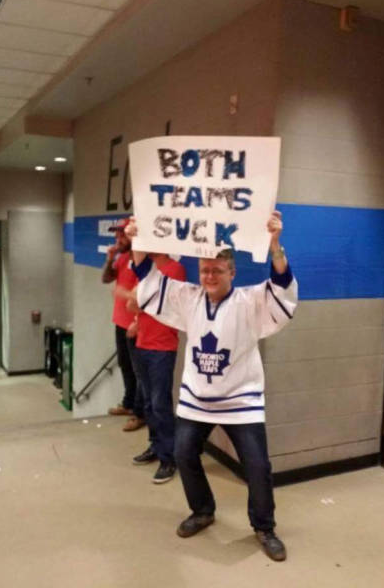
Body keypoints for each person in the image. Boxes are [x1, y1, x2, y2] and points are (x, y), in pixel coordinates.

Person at [125, 211, 297, 562]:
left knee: (257, 466)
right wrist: (137, 239)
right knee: (183, 453)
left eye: (218, 270)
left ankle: (264, 527)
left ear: (232, 273)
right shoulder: (188, 298)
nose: (209, 276)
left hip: (241, 400)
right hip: (197, 398)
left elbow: (281, 286)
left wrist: (275, 244)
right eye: (205, 270)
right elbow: (146, 276)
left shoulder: (250, 301)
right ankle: (202, 510)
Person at [127, 253, 186, 484]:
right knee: (149, 403)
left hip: (162, 346)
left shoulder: (174, 269)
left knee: (160, 404)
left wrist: (139, 302)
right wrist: (138, 309)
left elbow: (148, 302)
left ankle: (168, 458)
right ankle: (156, 445)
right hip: (143, 341)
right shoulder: (148, 271)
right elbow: (133, 303)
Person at [102, 218, 145, 432]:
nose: (118, 238)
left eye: (122, 234)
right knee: (125, 365)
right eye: (117, 234)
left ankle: (139, 413)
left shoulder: (141, 259)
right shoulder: (122, 257)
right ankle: (128, 403)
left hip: (135, 325)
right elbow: (106, 278)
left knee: (139, 371)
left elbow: (146, 292)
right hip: (120, 321)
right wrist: (110, 258)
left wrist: (126, 294)